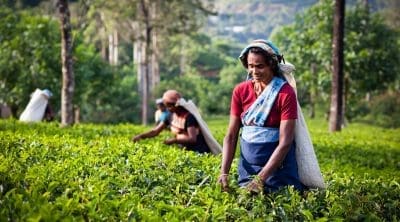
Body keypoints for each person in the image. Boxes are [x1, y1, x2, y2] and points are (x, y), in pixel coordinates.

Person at [218, 39, 305, 193]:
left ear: (271, 65)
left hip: (278, 172)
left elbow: (285, 142)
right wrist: (224, 172)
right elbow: (231, 136)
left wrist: (260, 179)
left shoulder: (285, 94)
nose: (255, 71)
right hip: (247, 170)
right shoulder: (240, 91)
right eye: (251, 66)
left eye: (260, 66)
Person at [132, 90, 212, 154]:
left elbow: (192, 139)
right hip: (185, 150)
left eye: (169, 106)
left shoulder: (188, 117)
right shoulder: (170, 116)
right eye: (167, 106)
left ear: (176, 105)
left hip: (199, 150)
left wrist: (174, 140)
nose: (168, 109)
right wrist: (141, 136)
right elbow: (155, 131)